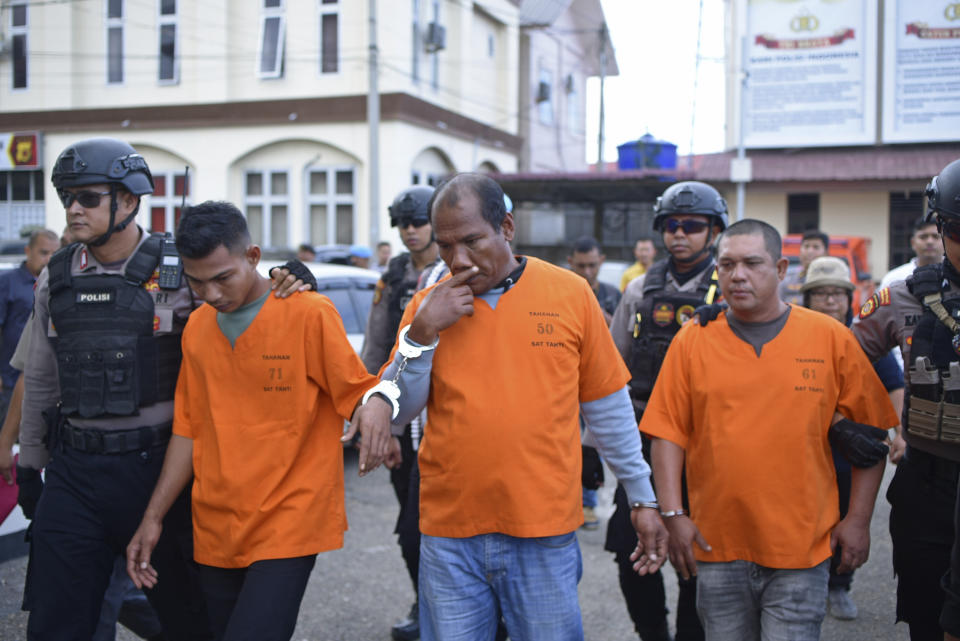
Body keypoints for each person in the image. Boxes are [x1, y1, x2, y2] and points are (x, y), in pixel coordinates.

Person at [14, 137, 312, 640]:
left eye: (88, 197)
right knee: (55, 623)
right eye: (68, 197)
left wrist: (288, 282)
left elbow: (246, 313)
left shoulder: (181, 271)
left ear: (129, 201)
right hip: (75, 472)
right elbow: (41, 377)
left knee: (190, 620)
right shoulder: (56, 276)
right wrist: (28, 465)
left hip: (160, 474)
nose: (74, 209)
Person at [354, 172, 668, 641]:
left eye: (471, 240)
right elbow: (401, 408)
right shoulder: (428, 305)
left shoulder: (569, 293)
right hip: (449, 533)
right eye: (444, 246)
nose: (458, 259)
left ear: (506, 227)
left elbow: (608, 407)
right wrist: (421, 334)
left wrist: (642, 497)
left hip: (542, 530)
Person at [125, 201, 387, 641]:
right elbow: (188, 430)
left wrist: (375, 413)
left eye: (222, 278)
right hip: (215, 524)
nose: (211, 294)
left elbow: (356, 390)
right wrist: (153, 517)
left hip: (290, 519)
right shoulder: (197, 328)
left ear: (253, 257)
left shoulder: (308, 312)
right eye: (196, 281)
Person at [644, 219, 897, 641]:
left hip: (802, 547)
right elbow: (667, 433)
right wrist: (673, 514)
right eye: (726, 265)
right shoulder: (694, 340)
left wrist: (858, 520)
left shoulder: (829, 338)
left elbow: (870, 437)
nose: (737, 274)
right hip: (717, 544)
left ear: (781, 269)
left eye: (751, 263)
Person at [608, 180, 726, 641]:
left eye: (692, 226)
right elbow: (610, 370)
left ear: (713, 231)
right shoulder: (640, 288)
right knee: (627, 548)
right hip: (642, 437)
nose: (680, 234)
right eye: (671, 226)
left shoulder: (730, 287)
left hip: (706, 443)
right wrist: (592, 448)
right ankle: (652, 631)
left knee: (694, 551)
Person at [853, 158, 960, 641]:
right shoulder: (900, 297)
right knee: (926, 614)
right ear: (940, 227)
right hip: (929, 482)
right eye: (959, 228)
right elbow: (837, 359)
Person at [360, 184, 444, 641]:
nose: (411, 231)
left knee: (434, 530)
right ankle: (423, 602)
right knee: (408, 529)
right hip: (397, 413)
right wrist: (379, 415)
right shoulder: (391, 276)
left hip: (438, 419)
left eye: (419, 222)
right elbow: (377, 345)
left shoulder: (450, 271)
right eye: (404, 224)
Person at [801, 256, 905, 619]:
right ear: (807, 299)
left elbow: (894, 385)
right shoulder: (792, 335)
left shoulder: (863, 337)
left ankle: (840, 586)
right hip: (805, 455)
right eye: (821, 294)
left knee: (849, 518)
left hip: (852, 453)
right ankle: (806, 584)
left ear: (849, 299)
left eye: (837, 294)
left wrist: (901, 433)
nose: (829, 301)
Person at [567, 236, 621, 530]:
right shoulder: (563, 292)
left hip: (599, 381)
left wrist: (603, 319)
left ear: (601, 262)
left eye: (592, 265)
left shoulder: (613, 294)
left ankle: (589, 499)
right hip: (567, 380)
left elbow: (625, 337)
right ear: (570, 263)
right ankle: (580, 502)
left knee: (595, 444)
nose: (587, 272)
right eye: (581, 266)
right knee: (569, 441)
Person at [0, 230, 58, 420]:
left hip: (46, 379)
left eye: (54, 254)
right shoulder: (8, 283)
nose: (49, 259)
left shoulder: (59, 285)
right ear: (28, 251)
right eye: (43, 253)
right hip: (11, 379)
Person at [880, 217, 942, 289]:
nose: (929, 242)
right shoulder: (893, 280)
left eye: (936, 236)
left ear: (945, 241)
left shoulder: (954, 276)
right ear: (912, 243)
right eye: (923, 237)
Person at [779, 228, 829, 305]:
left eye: (816, 247)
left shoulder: (832, 279)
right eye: (806, 246)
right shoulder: (786, 279)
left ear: (826, 253)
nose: (810, 251)